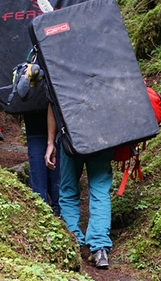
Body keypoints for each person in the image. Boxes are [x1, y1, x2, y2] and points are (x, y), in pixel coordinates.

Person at [45, 104, 114, 269]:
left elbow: (53, 104)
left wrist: (50, 143)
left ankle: (73, 241)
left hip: (71, 134)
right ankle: (100, 248)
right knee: (100, 190)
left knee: (69, 190)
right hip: (104, 135)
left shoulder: (62, 76)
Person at [23, 110, 61, 216]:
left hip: (32, 103)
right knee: (57, 145)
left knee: (36, 140)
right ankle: (58, 206)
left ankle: (41, 206)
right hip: (57, 103)